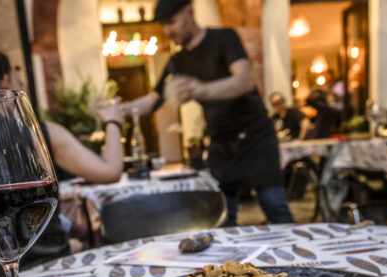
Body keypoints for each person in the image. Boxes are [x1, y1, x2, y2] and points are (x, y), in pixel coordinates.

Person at [0, 45, 125, 261]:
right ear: (5, 81)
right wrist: (113, 121)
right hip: (47, 265)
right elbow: (110, 171)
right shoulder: (40, 134)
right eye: (17, 77)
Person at [122, 0, 293, 227]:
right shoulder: (178, 61)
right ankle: (230, 263)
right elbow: (153, 100)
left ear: (189, 13)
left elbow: (245, 79)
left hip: (256, 138)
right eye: (164, 25)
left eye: (171, 22)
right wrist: (119, 110)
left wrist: (200, 89)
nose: (168, 30)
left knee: (274, 205)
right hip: (221, 143)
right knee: (221, 215)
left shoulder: (225, 38)